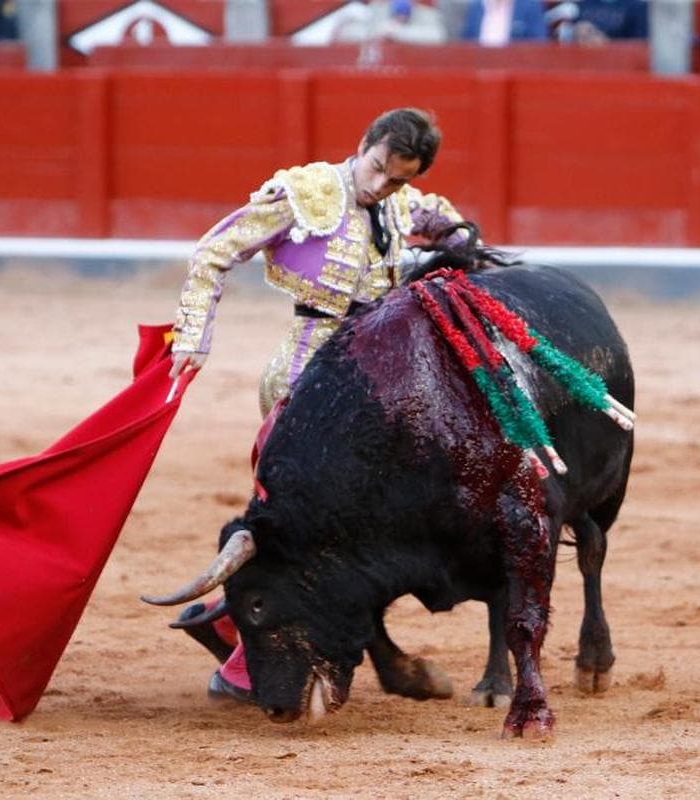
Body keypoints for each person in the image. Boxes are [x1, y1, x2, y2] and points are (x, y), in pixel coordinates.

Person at [168, 107, 465, 701]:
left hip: (374, 383)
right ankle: (243, 662)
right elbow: (213, 252)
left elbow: (454, 227)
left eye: (397, 179)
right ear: (364, 144)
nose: (380, 186)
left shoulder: (402, 205)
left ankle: (230, 620)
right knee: (294, 527)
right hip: (302, 382)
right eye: (378, 168)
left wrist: (460, 246)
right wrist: (193, 335)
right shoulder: (305, 193)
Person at [330, 0, 449, 45]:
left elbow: (439, 36)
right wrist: (379, 31)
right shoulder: (374, 10)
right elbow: (346, 33)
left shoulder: (426, 14)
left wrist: (400, 32)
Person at [460, 0, 548, 45]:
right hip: (477, 71)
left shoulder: (529, 6)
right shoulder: (477, 7)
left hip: (516, 72)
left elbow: (539, 43)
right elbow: (466, 41)